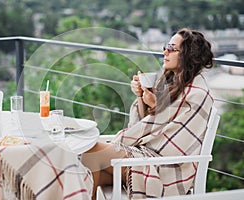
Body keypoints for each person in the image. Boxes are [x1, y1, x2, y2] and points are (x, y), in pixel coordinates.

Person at [81, 28, 214, 199]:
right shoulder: (173, 83)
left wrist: (156, 105)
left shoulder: (198, 94)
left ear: (188, 54)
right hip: (147, 155)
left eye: (172, 48)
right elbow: (151, 124)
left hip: (166, 169)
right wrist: (142, 97)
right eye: (166, 47)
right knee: (92, 172)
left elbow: (173, 143)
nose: (165, 51)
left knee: (92, 151)